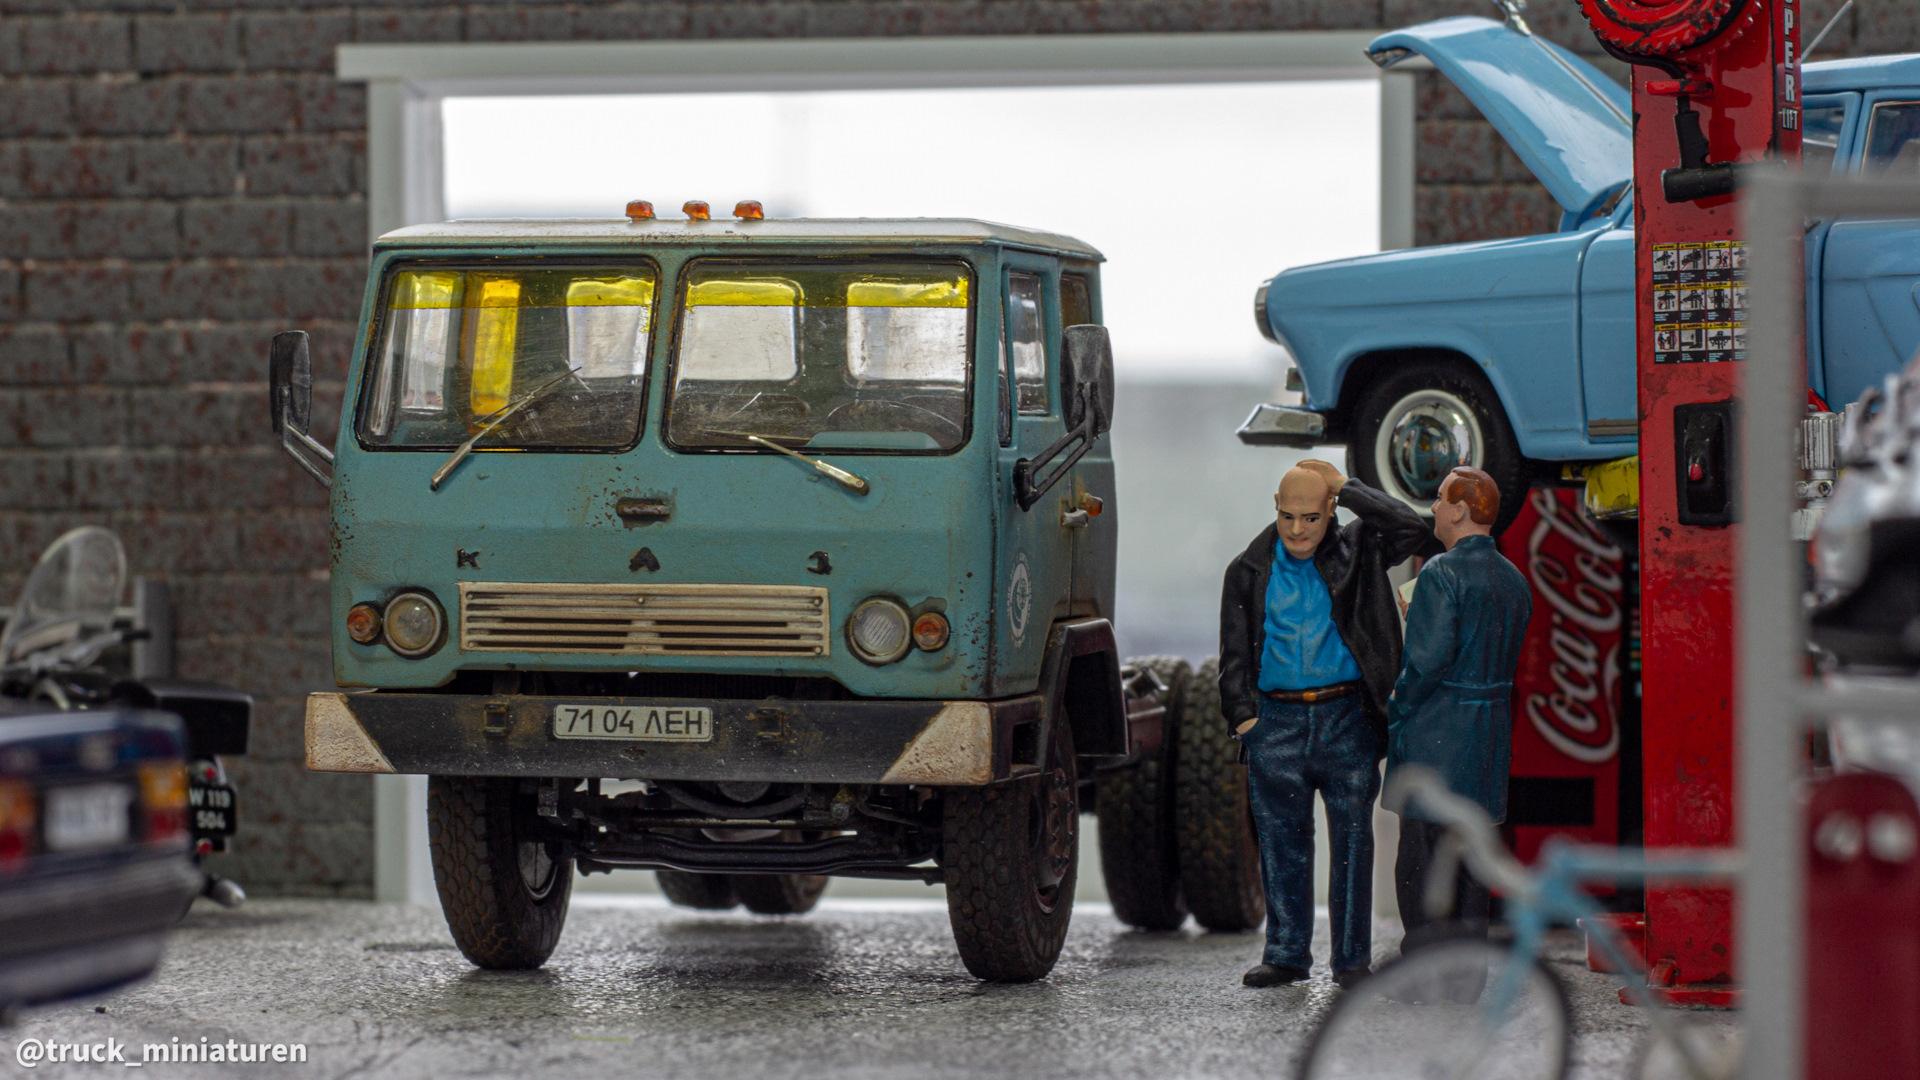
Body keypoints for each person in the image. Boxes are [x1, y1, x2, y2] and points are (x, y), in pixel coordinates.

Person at [1219, 458, 1438, 989]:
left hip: (1346, 718)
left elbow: (1414, 530)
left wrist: (1347, 486)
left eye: (1312, 517)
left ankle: (1351, 960)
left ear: (1331, 511)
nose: (1298, 530)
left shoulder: (1359, 548)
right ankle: (1286, 952)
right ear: (1276, 507)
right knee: (1280, 843)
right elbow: (1233, 652)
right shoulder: (1247, 569)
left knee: (1354, 845)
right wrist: (1245, 720)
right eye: (1288, 516)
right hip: (1275, 722)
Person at [1386, 466, 1532, 956]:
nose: (1433, 507)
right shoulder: (1514, 579)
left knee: (1421, 855)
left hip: (1437, 728)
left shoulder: (1440, 572)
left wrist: (1396, 707)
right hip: (1489, 730)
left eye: (1441, 499)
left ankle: (1424, 963)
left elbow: (1425, 663)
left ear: (1461, 511)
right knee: (1473, 854)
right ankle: (1469, 965)